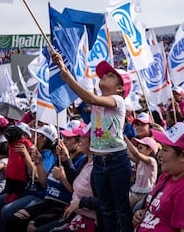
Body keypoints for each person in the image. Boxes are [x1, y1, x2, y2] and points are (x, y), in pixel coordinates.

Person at [51, 53, 134, 232]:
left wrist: (68, 77)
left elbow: (90, 98)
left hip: (116, 161)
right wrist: (62, 66)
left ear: (120, 89)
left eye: (111, 76)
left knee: (120, 208)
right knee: (105, 209)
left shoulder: (118, 101)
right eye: (104, 74)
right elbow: (86, 94)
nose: (104, 76)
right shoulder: (96, 101)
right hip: (99, 161)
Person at [124, 136, 158, 209]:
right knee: (127, 208)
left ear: (149, 150)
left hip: (148, 192)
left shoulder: (151, 161)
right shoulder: (140, 161)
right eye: (138, 148)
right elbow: (131, 155)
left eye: (140, 148)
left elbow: (136, 154)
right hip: (138, 191)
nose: (138, 150)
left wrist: (125, 139)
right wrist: (123, 144)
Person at [4, 124, 33, 204]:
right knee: (11, 196)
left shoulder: (15, 143)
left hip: (13, 174)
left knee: (9, 195)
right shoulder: (21, 142)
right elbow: (33, 147)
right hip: (16, 175)